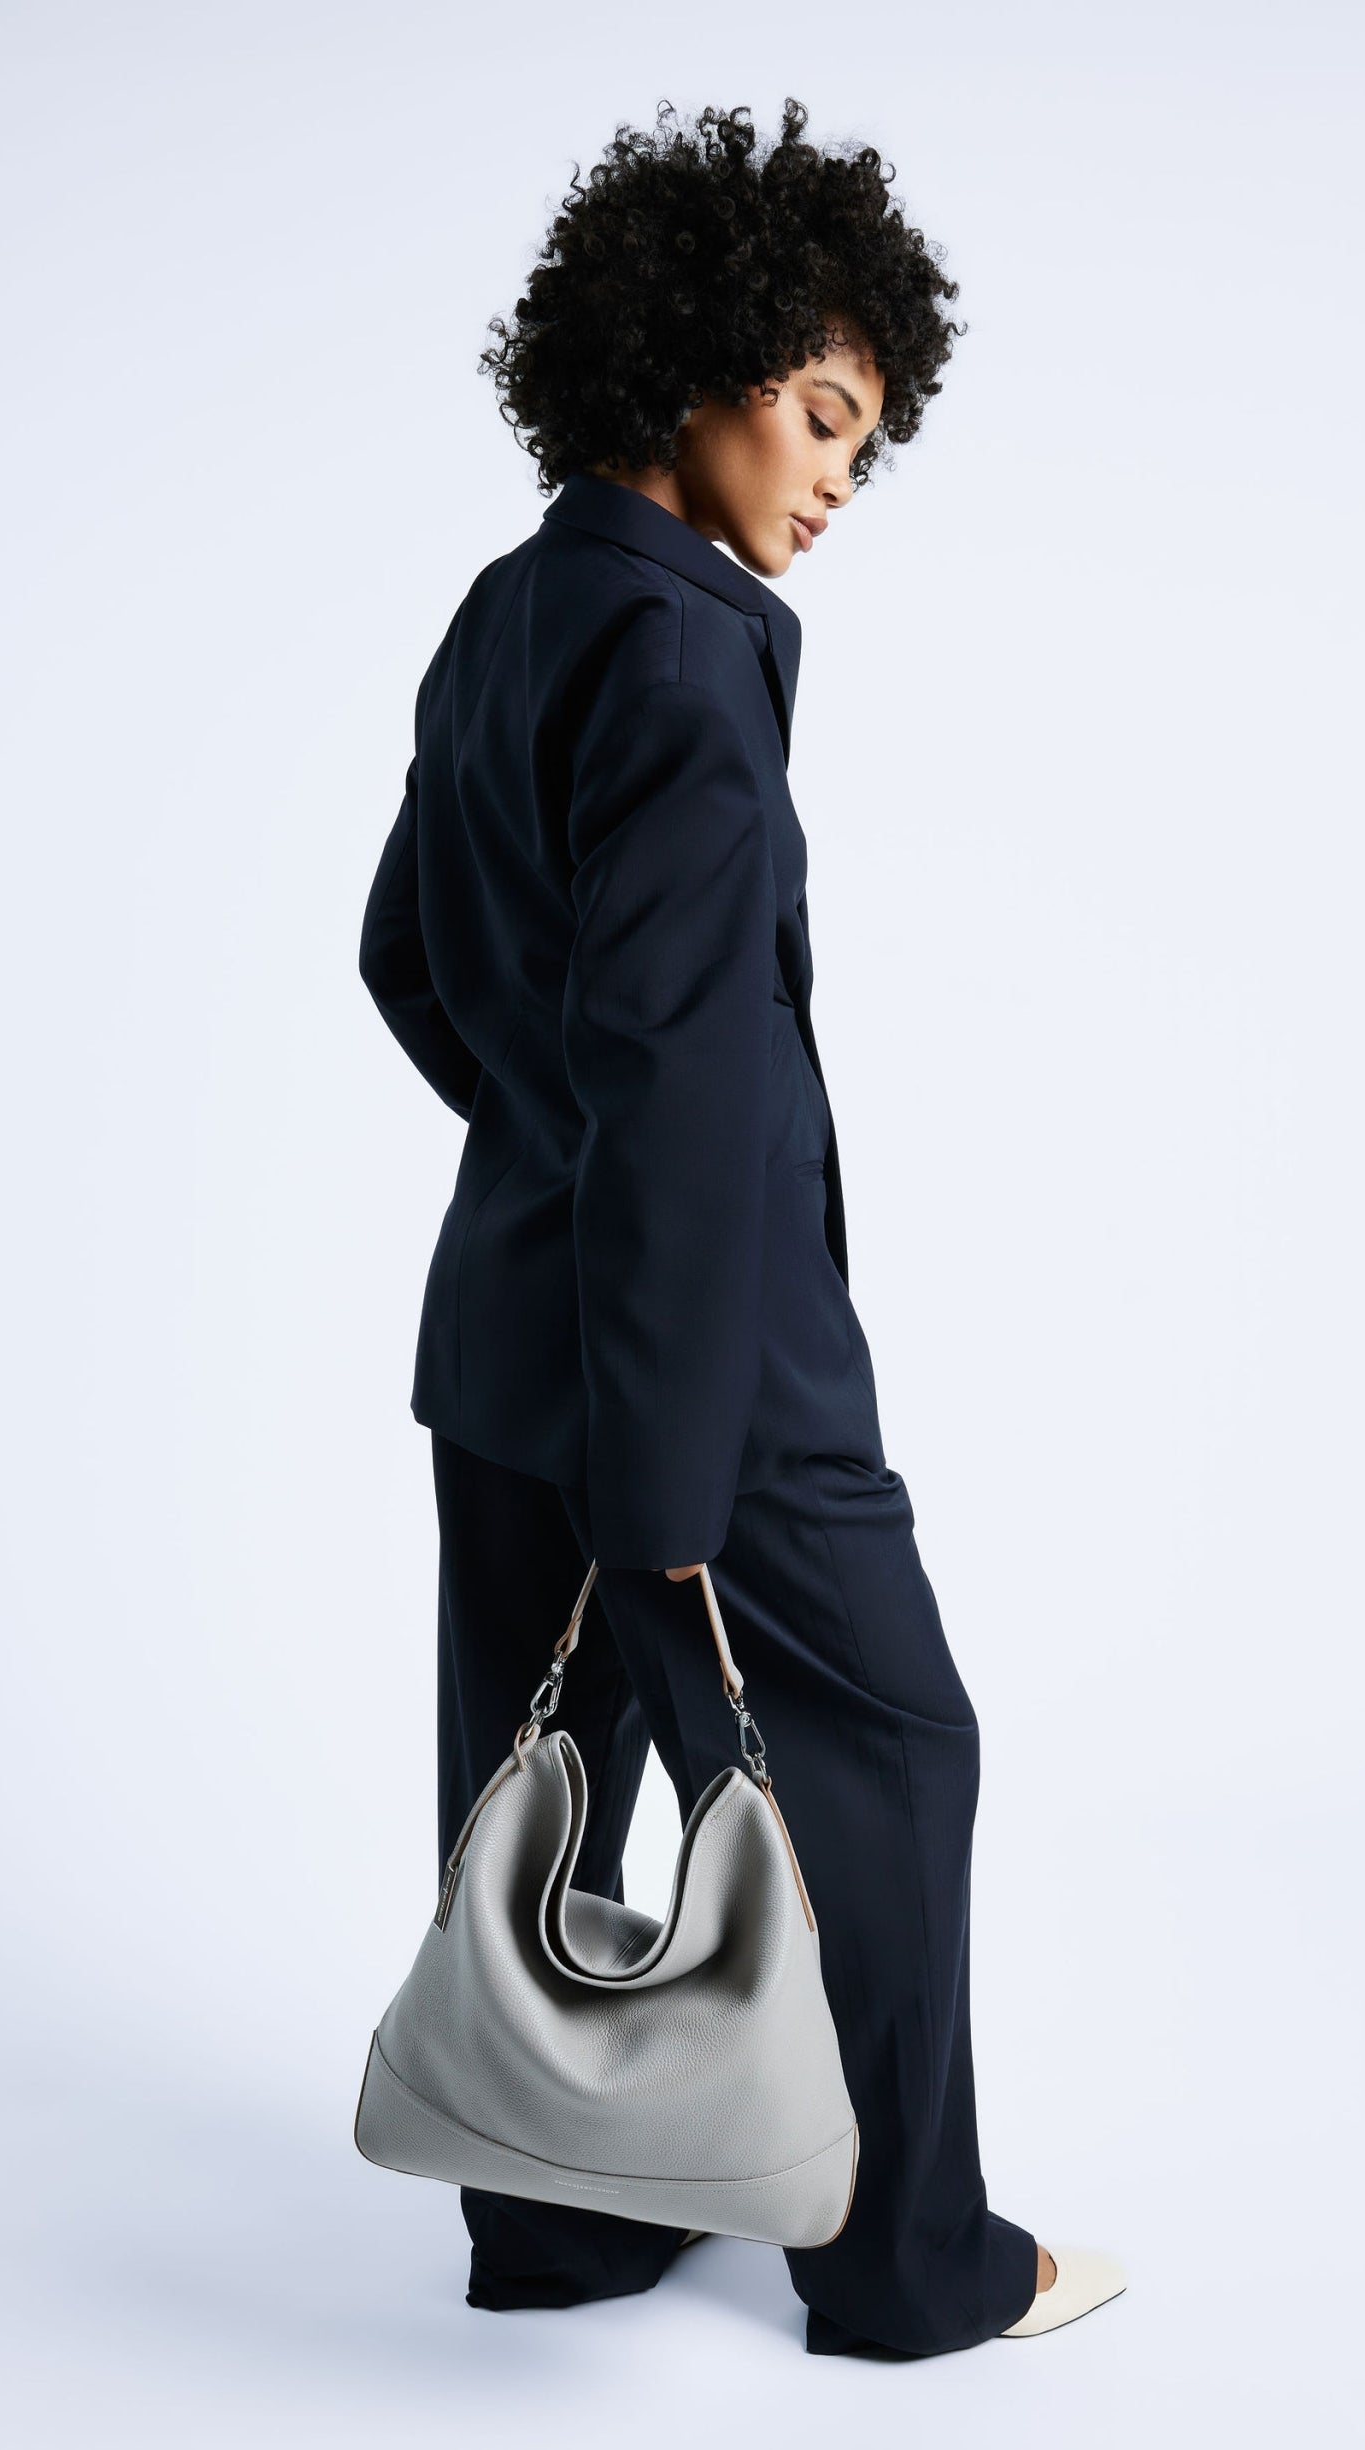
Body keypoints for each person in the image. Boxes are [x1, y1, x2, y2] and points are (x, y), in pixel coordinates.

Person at [358, 95, 1125, 2358]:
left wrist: (553, 1150)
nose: (835, 482)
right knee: (887, 1748)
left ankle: (559, 2222)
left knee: (545, 1772)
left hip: (507, 1333)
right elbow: (690, 1091)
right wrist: (674, 1475)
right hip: (713, 1359)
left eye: (864, 444)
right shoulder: (689, 660)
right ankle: (902, 2263)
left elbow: (406, 954)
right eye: (818, 413)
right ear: (689, 363)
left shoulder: (509, 614)